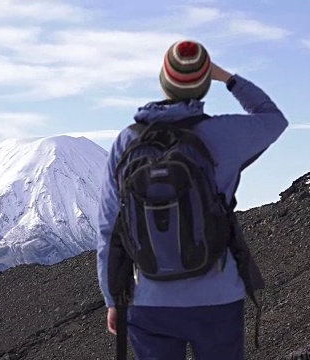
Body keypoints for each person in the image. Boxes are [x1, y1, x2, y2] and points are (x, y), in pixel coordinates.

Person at [96, 39, 289, 360]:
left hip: (149, 298)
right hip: (217, 297)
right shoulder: (224, 134)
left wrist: (112, 298)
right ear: (204, 84)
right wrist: (228, 78)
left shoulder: (127, 140)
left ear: (163, 80)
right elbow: (273, 118)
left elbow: (108, 226)